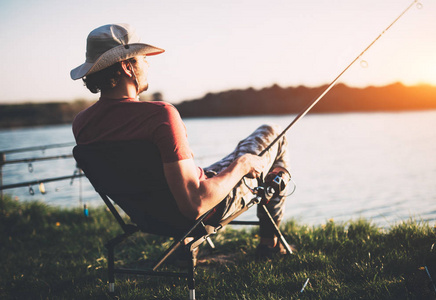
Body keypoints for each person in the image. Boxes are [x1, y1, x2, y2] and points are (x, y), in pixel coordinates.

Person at [71, 23, 291, 257]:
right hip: (205, 210)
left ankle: (190, 246)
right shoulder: (159, 116)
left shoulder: (83, 124)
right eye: (143, 58)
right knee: (274, 134)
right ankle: (270, 244)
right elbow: (194, 205)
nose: (147, 63)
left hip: (151, 218)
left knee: (244, 152)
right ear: (127, 66)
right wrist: (243, 165)